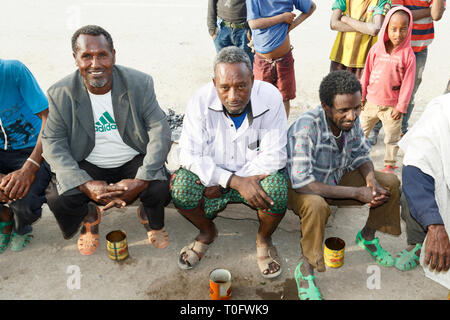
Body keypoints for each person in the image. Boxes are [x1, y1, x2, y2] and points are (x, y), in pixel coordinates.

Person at [41, 25, 172, 256]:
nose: (96, 64)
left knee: (159, 185)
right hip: (88, 162)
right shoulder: (60, 92)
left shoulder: (139, 83)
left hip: (131, 157)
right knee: (58, 196)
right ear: (76, 59)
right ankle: (90, 216)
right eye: (87, 56)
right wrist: (85, 183)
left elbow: (159, 129)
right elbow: (53, 141)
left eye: (102, 54)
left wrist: (140, 181)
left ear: (113, 54)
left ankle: (149, 215)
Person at [170, 46, 288, 278]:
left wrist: (234, 182)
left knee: (278, 189)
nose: (233, 96)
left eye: (241, 86)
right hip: (215, 180)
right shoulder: (200, 101)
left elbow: (275, 155)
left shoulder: (271, 97)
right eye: (225, 87)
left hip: (247, 177)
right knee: (180, 187)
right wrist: (230, 180)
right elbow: (189, 154)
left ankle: (264, 239)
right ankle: (207, 232)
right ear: (214, 83)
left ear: (252, 80)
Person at [286, 70, 401, 300]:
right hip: (303, 189)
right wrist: (357, 193)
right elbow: (302, 183)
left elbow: (360, 155)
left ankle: (367, 236)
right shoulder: (307, 127)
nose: (352, 116)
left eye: (357, 108)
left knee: (389, 182)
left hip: (335, 178)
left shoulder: (353, 120)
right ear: (326, 107)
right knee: (317, 206)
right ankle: (305, 267)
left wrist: (370, 180)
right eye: (344, 111)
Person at [369, 0, 446, 145]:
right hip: (396, 47)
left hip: (420, 47)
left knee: (410, 91)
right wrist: (426, 11)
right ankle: (375, 127)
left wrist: (425, 12)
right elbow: (397, 14)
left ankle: (401, 128)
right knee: (385, 88)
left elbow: (436, 15)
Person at [395, 93, 450, 289]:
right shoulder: (442, 115)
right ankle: (419, 242)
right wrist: (435, 226)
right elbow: (414, 170)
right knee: (412, 197)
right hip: (442, 188)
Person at [0, 59, 51, 253]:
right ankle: (4, 217)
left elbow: (48, 118)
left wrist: (29, 168)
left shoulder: (13, 71)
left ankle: (22, 225)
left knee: (25, 198)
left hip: (32, 149)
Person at [359, 6, 416, 174]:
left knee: (391, 137)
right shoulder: (376, 49)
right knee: (361, 132)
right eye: (394, 29)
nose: (398, 34)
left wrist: (401, 106)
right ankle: (356, 158)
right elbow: (366, 72)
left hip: (392, 108)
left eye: (403, 29)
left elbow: (408, 83)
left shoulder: (408, 55)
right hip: (370, 102)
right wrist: (361, 96)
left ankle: (390, 164)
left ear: (409, 29)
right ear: (386, 28)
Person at [246, 0, 316, 118]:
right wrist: (282, 18)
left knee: (284, 98)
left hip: (283, 59)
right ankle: (265, 134)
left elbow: (311, 7)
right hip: (262, 61)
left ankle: (281, 132)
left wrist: (292, 26)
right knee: (261, 99)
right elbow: (253, 23)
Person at [329, 0, 392, 80]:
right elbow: (334, 24)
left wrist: (347, 20)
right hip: (340, 56)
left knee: (360, 91)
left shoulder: (381, 1)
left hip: (364, 61)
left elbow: (374, 29)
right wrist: (365, 27)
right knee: (335, 90)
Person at [208, 0, 254, 65]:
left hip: (245, 31)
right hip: (222, 29)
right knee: (224, 66)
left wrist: (254, 32)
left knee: (245, 67)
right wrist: (212, 30)